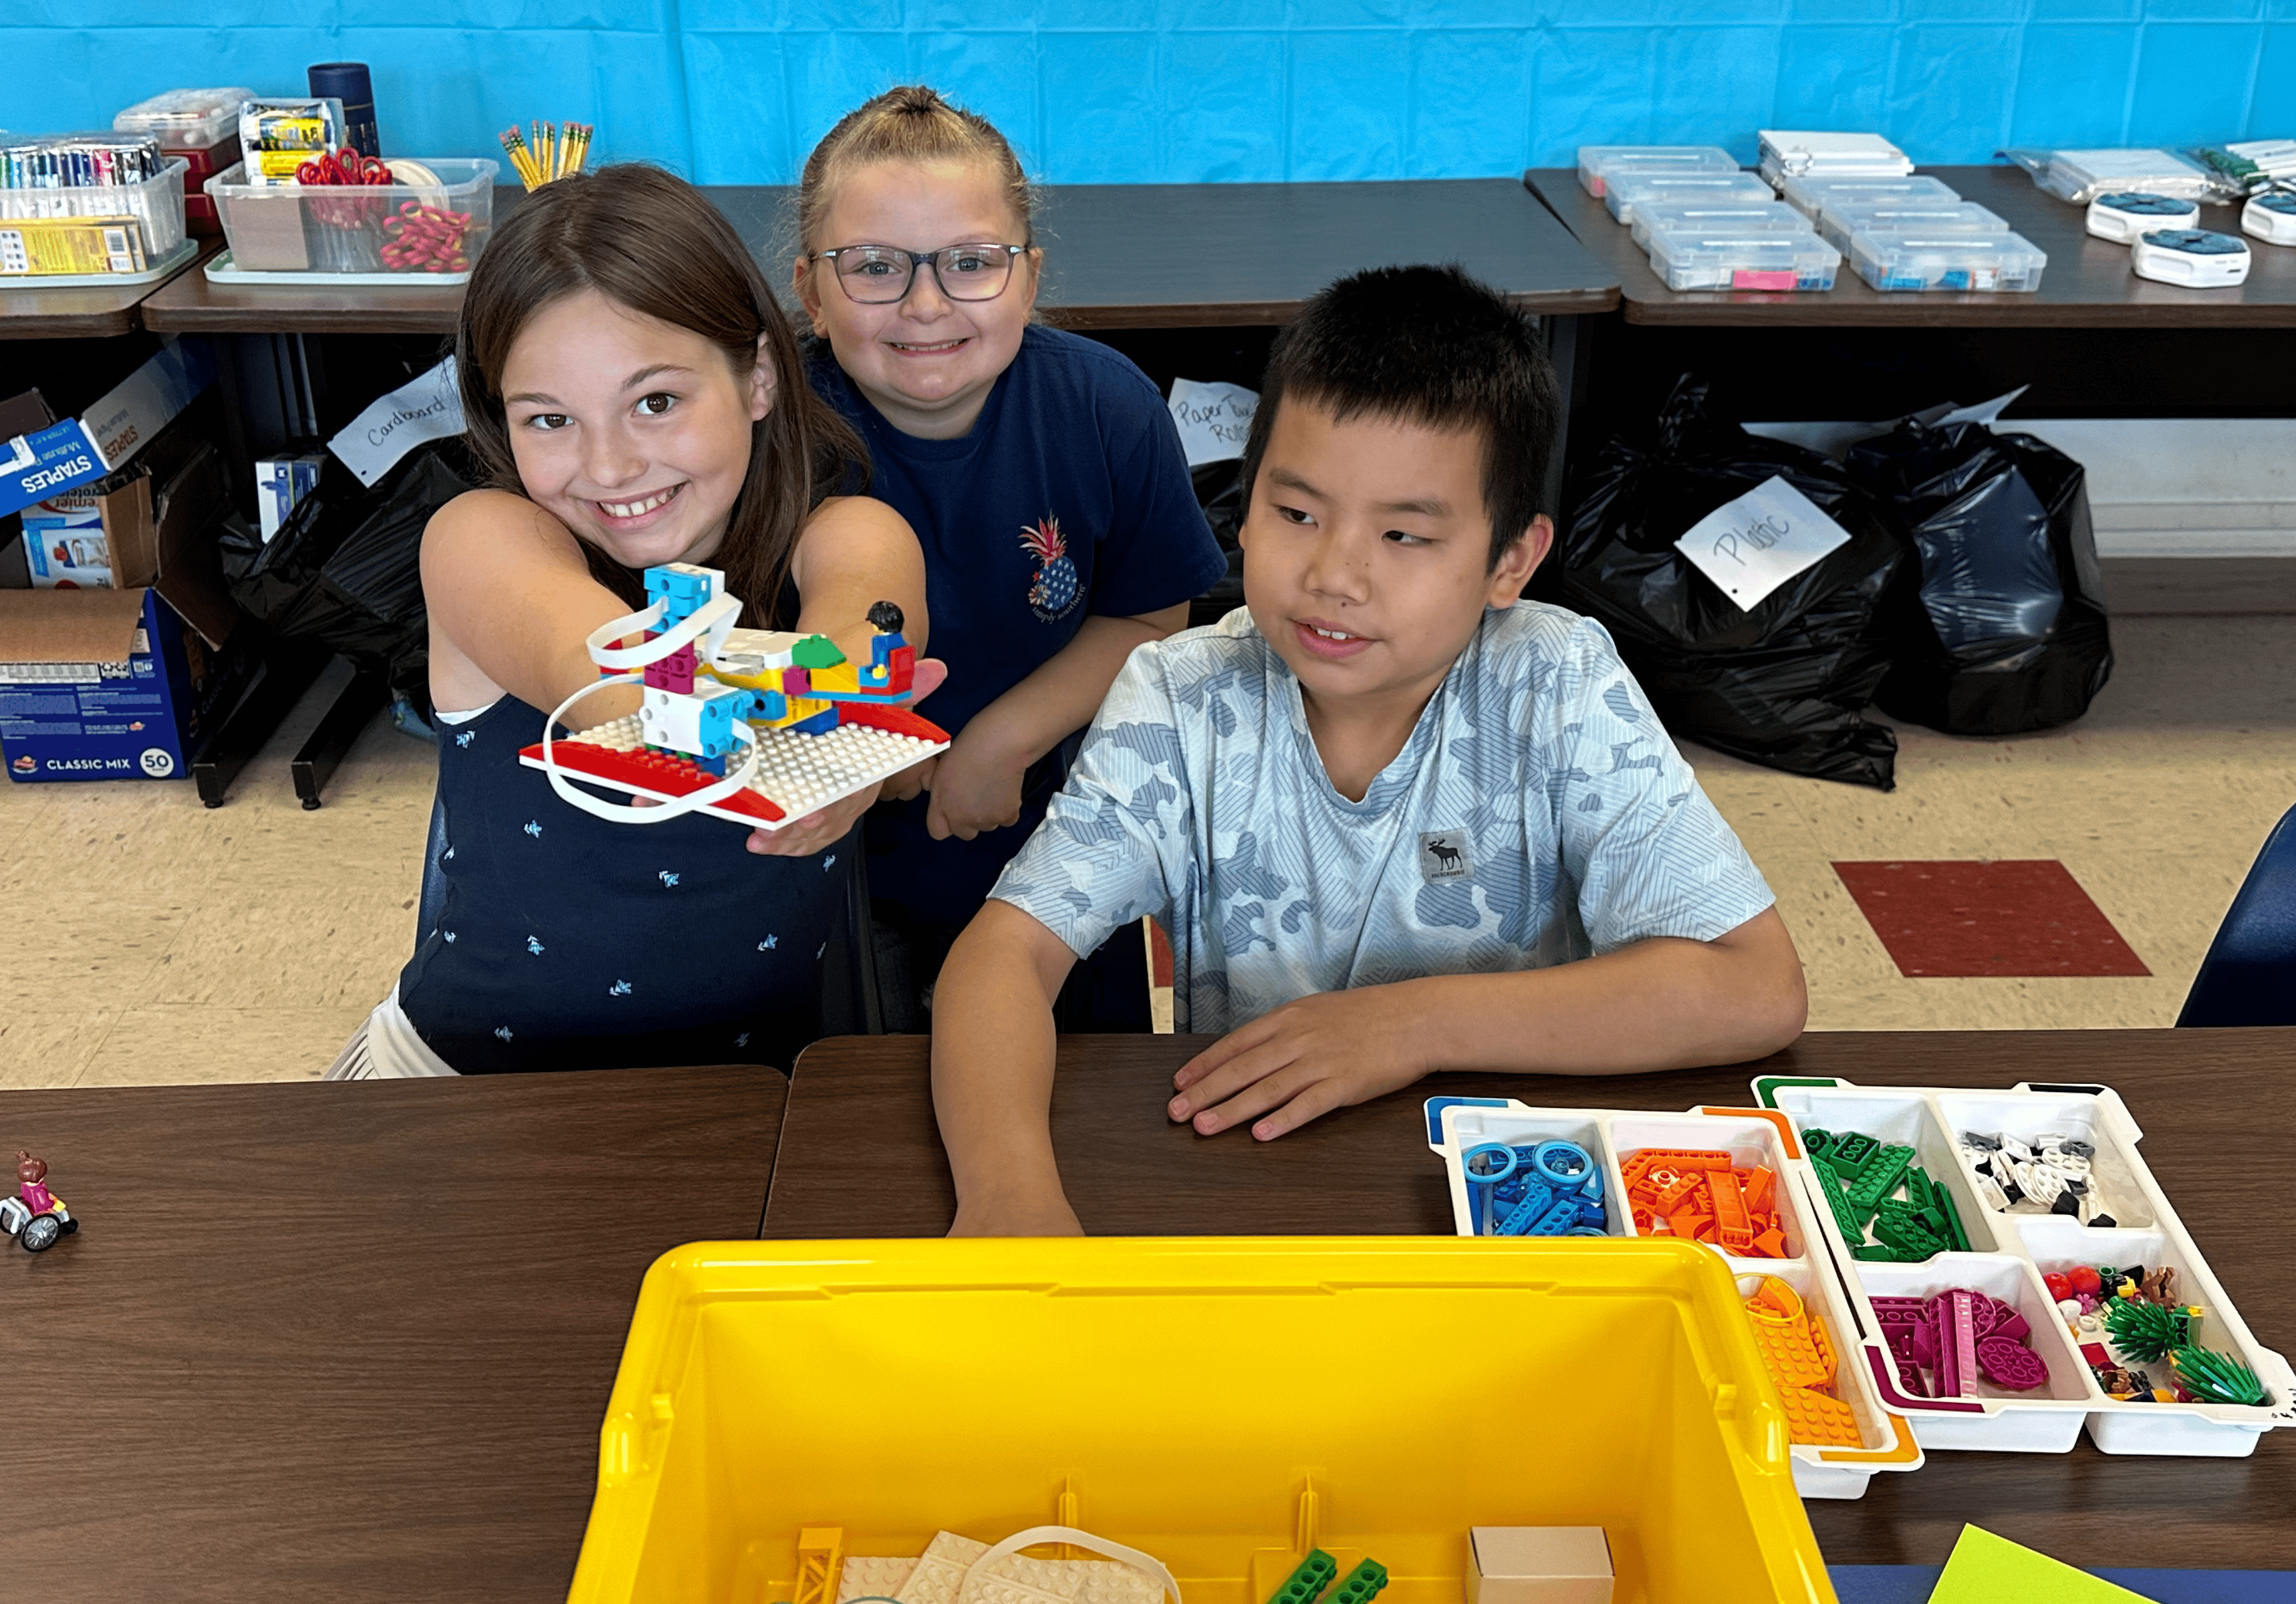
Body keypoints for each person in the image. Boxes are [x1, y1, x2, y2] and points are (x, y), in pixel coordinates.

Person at [930, 265, 1807, 1235]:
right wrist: (1007, 1191)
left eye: (1403, 534)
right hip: (1261, 1182)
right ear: (1246, 503)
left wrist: (1415, 1022)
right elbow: (1004, 954)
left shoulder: (1555, 682)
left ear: (1510, 560)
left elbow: (1755, 983)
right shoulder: (1181, 698)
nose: (1335, 574)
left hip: (1521, 1195)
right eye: (1297, 514)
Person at [327, 165, 938, 1079]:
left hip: (757, 1096)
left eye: (655, 401)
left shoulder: (851, 529)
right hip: (458, 1087)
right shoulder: (480, 539)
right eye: (549, 419)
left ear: (760, 377)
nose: (608, 466)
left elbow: (869, 624)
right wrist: (834, 727)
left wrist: (856, 714)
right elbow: (611, 685)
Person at [792, 86, 1228, 1027]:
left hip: (1048, 817)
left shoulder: (1108, 408)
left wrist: (1004, 739)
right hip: (833, 844)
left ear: (1028, 278)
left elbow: (1152, 614)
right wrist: (862, 746)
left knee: (1081, 1077)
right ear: (810, 292)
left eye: (971, 263)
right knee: (851, 1099)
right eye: (873, 266)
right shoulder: (775, 433)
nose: (924, 304)